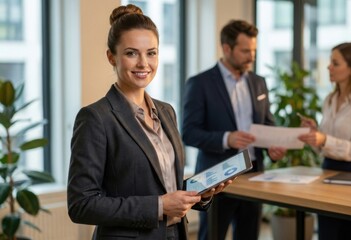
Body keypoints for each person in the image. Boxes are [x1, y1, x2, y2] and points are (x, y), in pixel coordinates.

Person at [67, 4, 231, 240]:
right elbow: (81, 204)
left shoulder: (166, 112)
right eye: (131, 53)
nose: (144, 63)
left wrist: (200, 193)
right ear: (111, 56)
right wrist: (159, 207)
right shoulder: (96, 118)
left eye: (151, 52)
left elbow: (163, 185)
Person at [182, 19, 287, 240]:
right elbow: (189, 132)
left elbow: (267, 123)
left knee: (249, 235)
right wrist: (227, 139)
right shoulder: (200, 83)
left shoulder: (259, 82)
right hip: (215, 176)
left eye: (254, 50)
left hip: (254, 174)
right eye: (245, 51)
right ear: (226, 48)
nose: (252, 57)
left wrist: (272, 147)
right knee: (212, 235)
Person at [298, 42, 351, 240]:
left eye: (335, 63)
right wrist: (316, 135)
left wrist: (325, 139)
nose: (329, 67)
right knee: (327, 234)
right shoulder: (329, 99)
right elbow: (327, 144)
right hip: (328, 170)